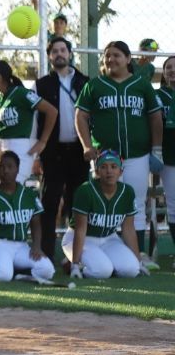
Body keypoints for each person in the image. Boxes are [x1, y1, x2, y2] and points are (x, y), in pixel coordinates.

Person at [75, 40, 162, 269]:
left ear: (128, 59)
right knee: (100, 204)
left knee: (135, 204)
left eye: (116, 55)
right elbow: (81, 115)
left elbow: (155, 117)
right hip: (105, 157)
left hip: (137, 155)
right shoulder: (95, 85)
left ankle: (137, 255)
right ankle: (96, 251)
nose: (111, 59)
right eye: (107, 56)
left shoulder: (141, 85)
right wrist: (86, 145)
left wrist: (157, 149)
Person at [33, 37, 90, 261]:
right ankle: (46, 254)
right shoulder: (41, 85)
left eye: (63, 50)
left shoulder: (85, 82)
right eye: (54, 51)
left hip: (79, 152)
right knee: (50, 202)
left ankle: (74, 256)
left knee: (77, 205)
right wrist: (37, 154)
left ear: (70, 53)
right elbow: (35, 121)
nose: (59, 54)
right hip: (52, 153)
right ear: (49, 56)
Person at [0, 151, 54, 282]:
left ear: (17, 169)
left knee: (47, 270)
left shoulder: (29, 195)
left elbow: (36, 224)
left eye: (9, 166)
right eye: (1, 167)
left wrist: (36, 246)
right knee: (3, 274)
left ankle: (19, 275)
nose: (5, 170)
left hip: (21, 246)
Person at [62, 150, 149, 279]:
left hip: (110, 238)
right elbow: (80, 230)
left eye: (114, 167)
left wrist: (139, 261)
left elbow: (129, 229)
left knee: (131, 270)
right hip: (81, 238)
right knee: (102, 272)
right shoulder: (85, 191)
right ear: (96, 172)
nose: (109, 171)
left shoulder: (127, 192)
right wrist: (75, 263)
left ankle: (102, 261)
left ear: (121, 171)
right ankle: (70, 263)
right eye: (103, 167)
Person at [0, 60, 57, 183]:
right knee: (0, 191)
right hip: (1, 149)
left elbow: (52, 111)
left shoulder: (21, 93)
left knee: (11, 187)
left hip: (21, 148)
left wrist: (43, 141)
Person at [155, 55, 175, 267]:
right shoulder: (158, 95)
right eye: (168, 67)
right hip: (170, 156)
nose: (172, 70)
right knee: (173, 206)